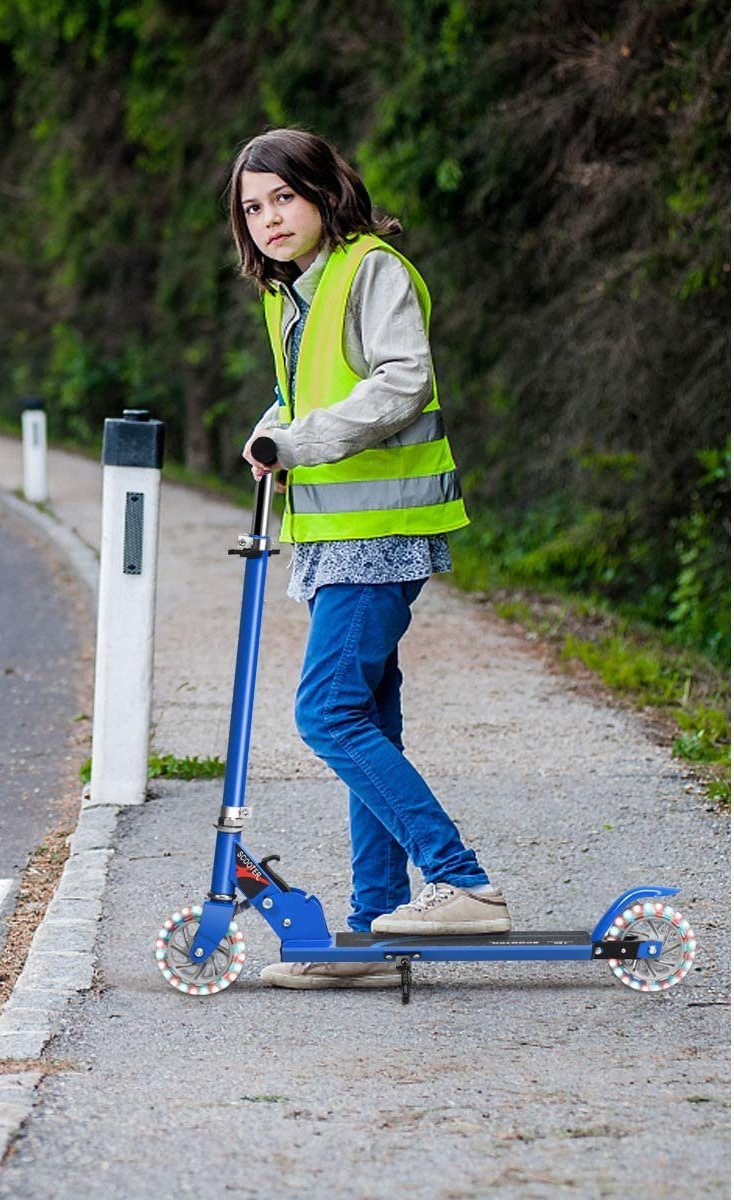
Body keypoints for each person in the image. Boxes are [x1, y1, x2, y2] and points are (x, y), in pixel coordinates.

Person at [229, 127, 510, 990]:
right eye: (252, 207)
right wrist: (270, 429)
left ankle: (461, 882)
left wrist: (298, 439)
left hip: (380, 531)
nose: (270, 219)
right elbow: (305, 391)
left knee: (327, 714)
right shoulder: (290, 296)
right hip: (334, 536)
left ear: (322, 193)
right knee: (368, 719)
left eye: (284, 198)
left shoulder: (370, 268)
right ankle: (370, 927)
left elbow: (401, 381)